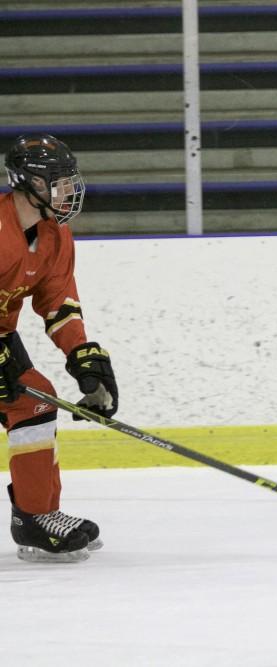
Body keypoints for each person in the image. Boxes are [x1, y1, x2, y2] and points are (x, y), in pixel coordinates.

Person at [1, 134, 119, 562]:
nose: (68, 191)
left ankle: (36, 517)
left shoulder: (55, 236)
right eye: (58, 182)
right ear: (28, 183)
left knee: (33, 404)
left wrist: (83, 358)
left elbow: (58, 304)